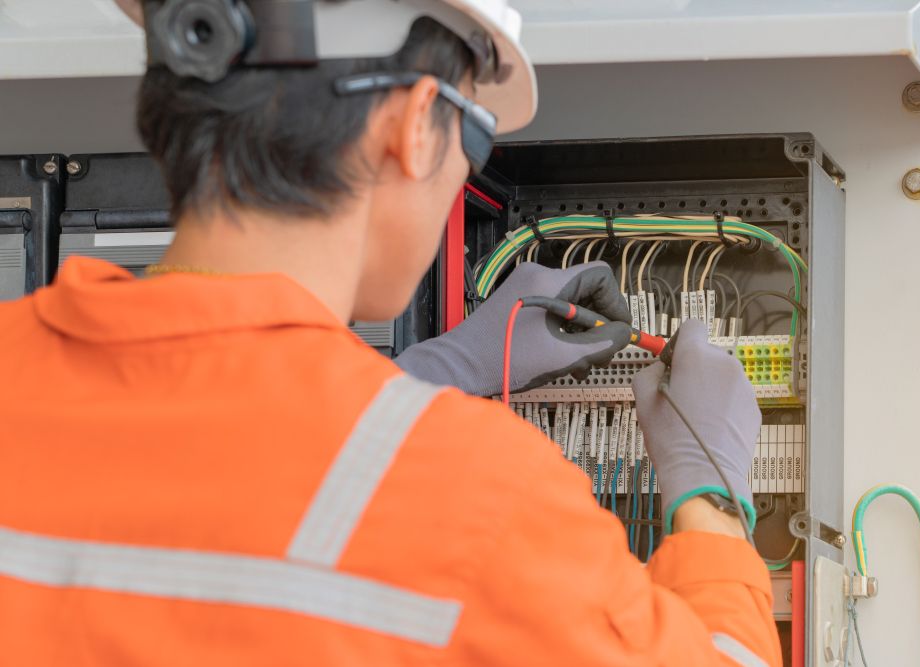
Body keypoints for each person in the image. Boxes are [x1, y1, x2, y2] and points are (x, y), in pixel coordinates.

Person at [0, 1, 781, 664]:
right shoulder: (485, 503)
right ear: (413, 127)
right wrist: (708, 494)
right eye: (475, 138)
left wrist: (434, 373)